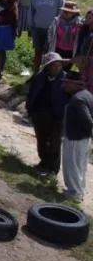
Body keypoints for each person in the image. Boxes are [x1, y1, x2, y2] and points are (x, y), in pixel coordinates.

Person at [26, 52, 69, 176]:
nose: (57, 68)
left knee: (55, 142)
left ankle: (53, 169)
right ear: (48, 66)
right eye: (54, 65)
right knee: (41, 139)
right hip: (39, 114)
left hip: (57, 116)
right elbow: (31, 93)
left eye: (59, 65)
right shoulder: (40, 77)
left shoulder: (66, 79)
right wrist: (31, 109)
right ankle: (43, 162)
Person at [62, 70, 93, 201]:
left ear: (76, 84)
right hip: (84, 138)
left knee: (72, 165)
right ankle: (79, 192)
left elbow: (87, 120)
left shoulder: (78, 99)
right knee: (80, 166)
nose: (65, 85)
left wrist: (86, 131)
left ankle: (74, 193)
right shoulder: (87, 95)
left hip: (76, 137)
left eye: (68, 83)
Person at [30, 0, 66, 73]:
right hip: (37, 28)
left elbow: (60, 15)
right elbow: (32, 11)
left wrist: (56, 29)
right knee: (37, 52)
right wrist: (31, 25)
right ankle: (35, 74)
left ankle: (45, 74)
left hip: (51, 30)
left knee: (48, 53)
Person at [47, 1, 82, 69]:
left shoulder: (79, 23)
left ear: (74, 13)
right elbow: (50, 32)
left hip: (71, 51)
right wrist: (50, 42)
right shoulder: (57, 21)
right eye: (64, 11)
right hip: (57, 49)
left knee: (66, 70)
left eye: (68, 11)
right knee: (55, 68)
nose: (65, 13)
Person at [77, 10, 93, 93]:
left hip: (90, 59)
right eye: (86, 17)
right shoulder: (85, 29)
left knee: (90, 81)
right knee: (83, 79)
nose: (87, 19)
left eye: (90, 18)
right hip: (83, 58)